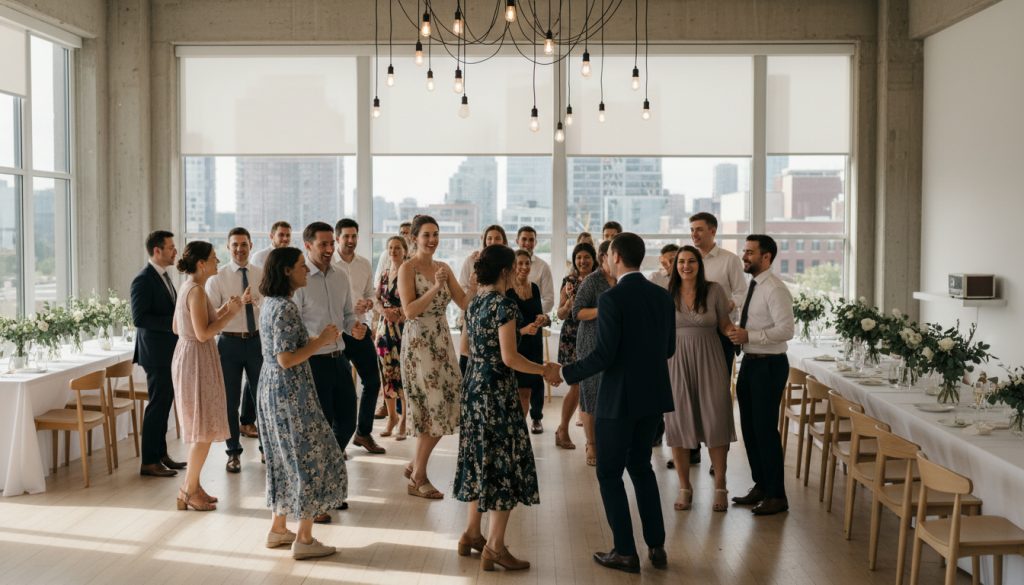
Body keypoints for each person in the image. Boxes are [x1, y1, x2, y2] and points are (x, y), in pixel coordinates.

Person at [553, 233, 675, 574]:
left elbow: (603, 356)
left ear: (616, 256)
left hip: (618, 399)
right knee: (641, 467)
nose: (604, 260)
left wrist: (564, 372)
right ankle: (657, 545)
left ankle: (625, 551)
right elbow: (668, 349)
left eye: (607, 256)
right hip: (652, 396)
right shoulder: (662, 297)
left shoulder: (612, 299)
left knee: (609, 472)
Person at [455, 245, 559, 572]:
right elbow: (510, 357)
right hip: (497, 391)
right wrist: (544, 369)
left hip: (473, 386)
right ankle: (495, 546)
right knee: (502, 464)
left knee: (479, 457)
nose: (517, 273)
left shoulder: (474, 304)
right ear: (504, 271)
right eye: (514, 268)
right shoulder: (504, 305)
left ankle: (472, 533)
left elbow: (471, 349)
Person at [257, 246, 347, 560]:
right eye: (300, 266)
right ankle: (305, 539)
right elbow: (286, 359)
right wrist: (321, 341)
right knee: (309, 457)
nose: (305, 270)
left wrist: (316, 340)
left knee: (283, 458)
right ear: (285, 271)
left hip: (272, 388)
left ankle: (279, 528)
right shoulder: (285, 307)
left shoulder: (271, 303)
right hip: (289, 391)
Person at [292, 221, 367, 522]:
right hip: (313, 362)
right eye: (321, 244)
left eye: (329, 244)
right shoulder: (298, 280)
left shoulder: (340, 276)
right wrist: (314, 341)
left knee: (347, 421)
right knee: (318, 429)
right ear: (307, 245)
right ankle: (318, 494)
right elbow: (294, 324)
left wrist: (355, 328)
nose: (327, 249)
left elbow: (348, 315)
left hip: (339, 358)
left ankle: (327, 480)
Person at [398, 215, 470, 499]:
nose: (432, 240)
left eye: (436, 234)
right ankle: (419, 476)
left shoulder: (444, 267)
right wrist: (437, 288)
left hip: (441, 342)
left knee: (451, 405)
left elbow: (464, 302)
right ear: (414, 238)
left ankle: (416, 464)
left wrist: (476, 284)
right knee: (431, 410)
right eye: (426, 235)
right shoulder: (408, 268)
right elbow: (409, 311)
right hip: (418, 345)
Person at [170, 241, 243, 511]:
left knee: (200, 425)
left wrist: (223, 311)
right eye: (213, 258)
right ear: (201, 264)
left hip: (189, 355)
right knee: (201, 428)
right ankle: (188, 491)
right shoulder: (198, 291)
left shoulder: (187, 287)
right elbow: (203, 333)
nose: (217, 261)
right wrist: (231, 314)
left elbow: (178, 327)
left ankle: (192, 486)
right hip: (197, 359)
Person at [664, 246, 736, 513]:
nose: (686, 266)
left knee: (715, 418)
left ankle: (720, 484)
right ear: (675, 266)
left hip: (711, 359)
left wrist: (737, 332)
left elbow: (724, 324)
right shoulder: (666, 293)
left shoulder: (715, 290)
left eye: (691, 261)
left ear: (699, 264)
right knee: (679, 421)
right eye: (681, 262)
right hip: (676, 361)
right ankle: (685, 487)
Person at [728, 235, 795, 516]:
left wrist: (749, 335)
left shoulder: (775, 289)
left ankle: (777, 495)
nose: (744, 256)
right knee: (750, 429)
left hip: (769, 365)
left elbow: (786, 330)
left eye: (750, 252)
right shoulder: (754, 286)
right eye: (744, 250)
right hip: (751, 364)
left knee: (765, 430)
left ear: (766, 257)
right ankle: (762, 485)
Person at [684, 212, 747, 470]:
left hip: (719, 335)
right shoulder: (686, 260)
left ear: (713, 231)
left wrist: (725, 304)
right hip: (689, 338)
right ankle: (691, 448)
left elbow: (743, 292)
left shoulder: (729, 261)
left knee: (716, 397)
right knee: (689, 392)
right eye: (691, 230)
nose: (694, 234)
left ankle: (716, 455)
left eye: (699, 229)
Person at [205, 227, 264, 473]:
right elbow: (209, 317)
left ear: (251, 245)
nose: (239, 249)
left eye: (244, 244)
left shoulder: (262, 274)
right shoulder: (216, 279)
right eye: (235, 245)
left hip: (256, 341)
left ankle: (267, 450)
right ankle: (233, 453)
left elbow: (270, 305)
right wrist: (233, 307)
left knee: (263, 397)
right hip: (228, 343)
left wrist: (256, 302)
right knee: (229, 401)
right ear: (228, 248)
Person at [131, 230, 187, 478]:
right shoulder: (143, 279)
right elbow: (139, 318)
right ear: (157, 250)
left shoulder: (164, 276)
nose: (175, 251)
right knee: (157, 406)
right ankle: (149, 462)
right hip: (155, 355)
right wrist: (175, 322)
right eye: (171, 247)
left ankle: (161, 455)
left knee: (164, 405)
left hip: (167, 353)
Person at [332, 218, 385, 455]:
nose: (351, 241)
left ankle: (363, 433)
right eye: (346, 237)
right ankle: (336, 441)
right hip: (337, 333)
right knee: (340, 388)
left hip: (360, 330)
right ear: (337, 238)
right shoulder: (329, 266)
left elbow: (370, 294)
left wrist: (369, 302)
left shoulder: (364, 264)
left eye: (354, 236)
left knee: (373, 381)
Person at [572, 240, 616, 467]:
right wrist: (603, 310)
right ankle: (592, 444)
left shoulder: (622, 280)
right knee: (590, 393)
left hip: (618, 344)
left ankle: (611, 442)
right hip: (591, 342)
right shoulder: (592, 280)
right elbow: (576, 311)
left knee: (612, 391)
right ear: (603, 257)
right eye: (612, 255)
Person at [553, 242, 597, 450]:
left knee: (591, 386)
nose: (583, 261)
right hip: (572, 336)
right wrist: (569, 303)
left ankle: (595, 437)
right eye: (579, 257)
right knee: (577, 384)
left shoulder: (599, 280)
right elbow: (559, 315)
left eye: (586, 257)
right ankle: (563, 428)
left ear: (594, 259)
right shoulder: (568, 281)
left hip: (594, 336)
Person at [506, 250, 550, 433]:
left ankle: (532, 421)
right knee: (520, 391)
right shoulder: (507, 291)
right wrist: (523, 330)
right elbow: (503, 326)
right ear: (513, 266)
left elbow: (539, 314)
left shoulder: (535, 288)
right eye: (519, 263)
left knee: (533, 385)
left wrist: (543, 319)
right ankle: (518, 431)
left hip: (534, 345)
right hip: (516, 345)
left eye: (527, 263)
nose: (524, 267)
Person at [457, 225, 506, 373]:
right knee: (468, 360)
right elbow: (463, 288)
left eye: (497, 238)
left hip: (498, 316)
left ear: (503, 241)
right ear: (484, 240)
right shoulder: (471, 261)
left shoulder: (508, 262)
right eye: (489, 238)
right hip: (473, 315)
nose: (492, 241)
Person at [375, 236, 408, 439]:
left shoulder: (409, 273)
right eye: (390, 248)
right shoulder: (385, 274)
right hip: (384, 329)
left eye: (397, 248)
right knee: (386, 374)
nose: (393, 251)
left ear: (404, 250)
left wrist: (402, 313)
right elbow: (376, 299)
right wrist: (384, 312)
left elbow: (414, 300)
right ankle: (392, 417)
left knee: (402, 373)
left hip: (403, 329)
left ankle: (404, 418)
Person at [515, 226, 554, 314]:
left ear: (535, 242)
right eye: (524, 239)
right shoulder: (507, 264)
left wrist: (534, 315)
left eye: (531, 240)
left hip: (534, 320)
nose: (528, 243)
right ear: (517, 241)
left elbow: (549, 300)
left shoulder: (543, 266)